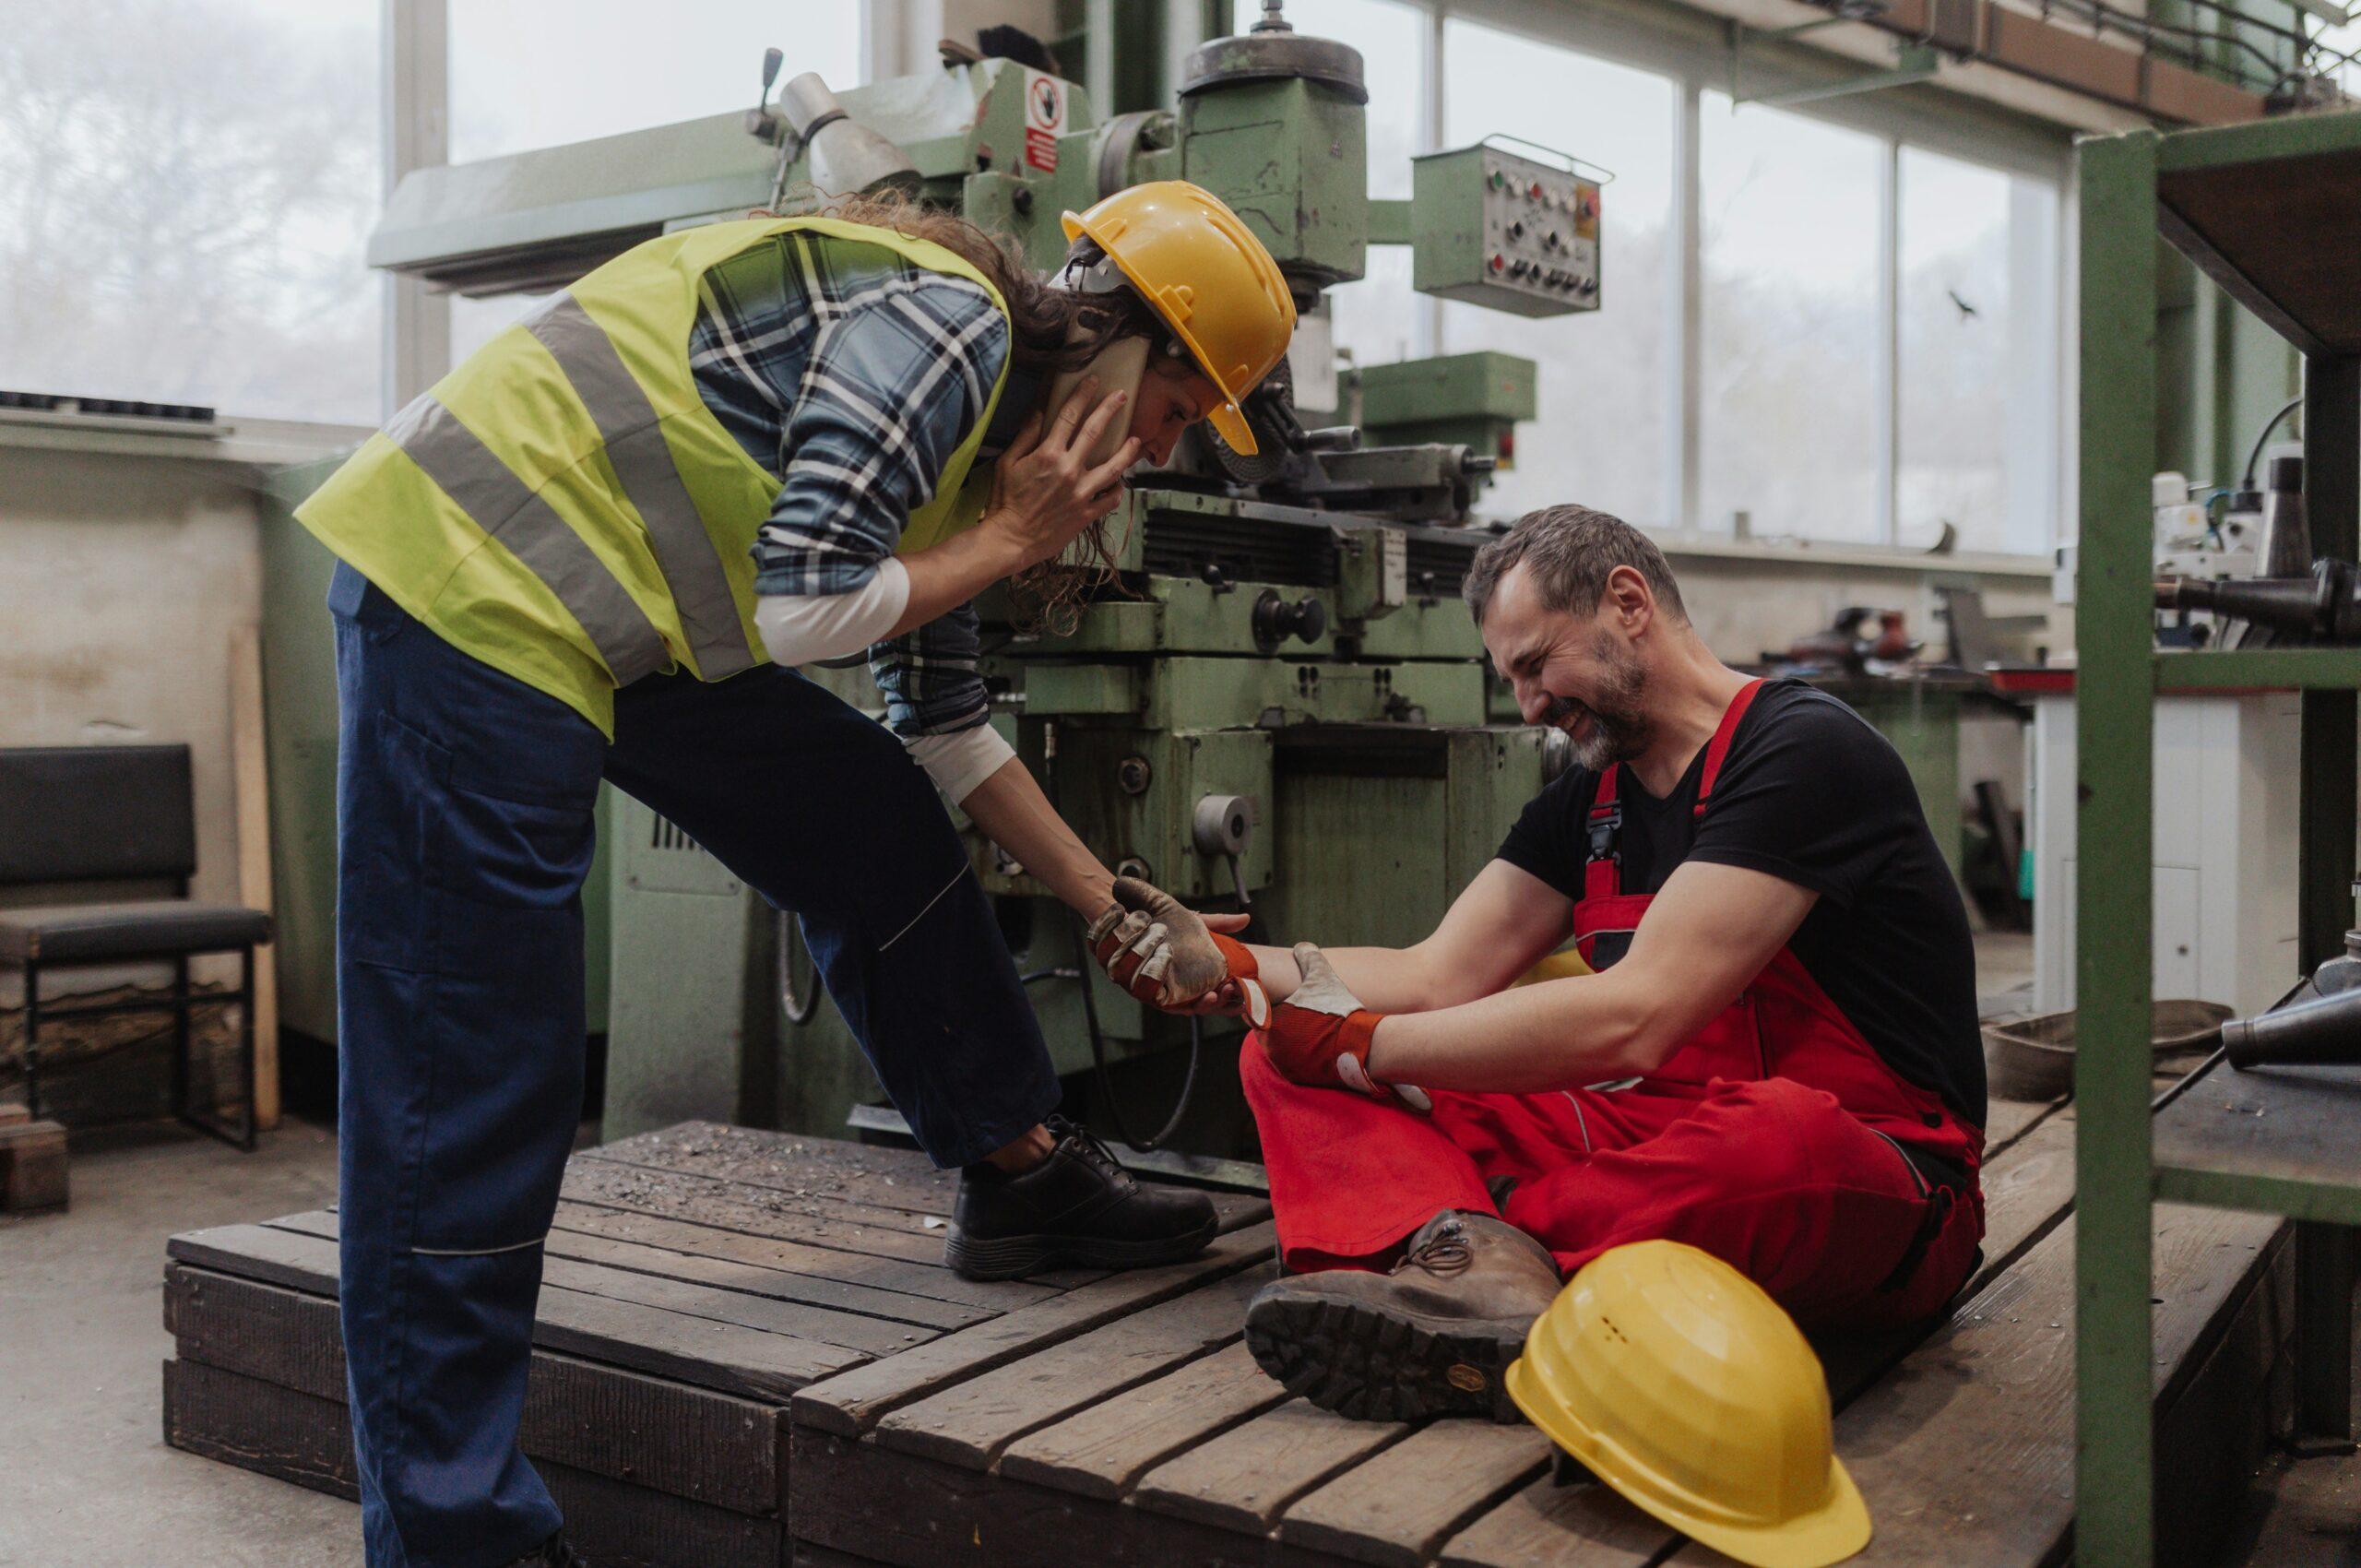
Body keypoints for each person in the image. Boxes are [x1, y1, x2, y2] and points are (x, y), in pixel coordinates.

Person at [297, 181, 1292, 1567]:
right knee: (471, 1077)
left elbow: (941, 728)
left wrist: (1108, 906)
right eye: (1179, 416)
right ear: (1130, 347)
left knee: (870, 817)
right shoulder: (947, 331)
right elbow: (805, 607)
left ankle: (1021, 1173)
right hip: (470, 590)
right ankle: (458, 1537)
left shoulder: (972, 438)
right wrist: (1008, 543)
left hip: (616, 631)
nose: (1160, 455)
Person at [1134, 504, 1988, 1423]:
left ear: (1627, 602)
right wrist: (1237, 963)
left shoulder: (1802, 752)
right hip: (1649, 1149)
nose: (1528, 705)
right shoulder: (1588, 800)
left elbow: (1638, 1015)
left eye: (1537, 665)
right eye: (1513, 679)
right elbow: (1433, 975)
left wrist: (1360, 1043)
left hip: (1876, 1179)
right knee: (1273, 1052)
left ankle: (1466, 1250)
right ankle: (1496, 1277)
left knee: (1780, 1142)